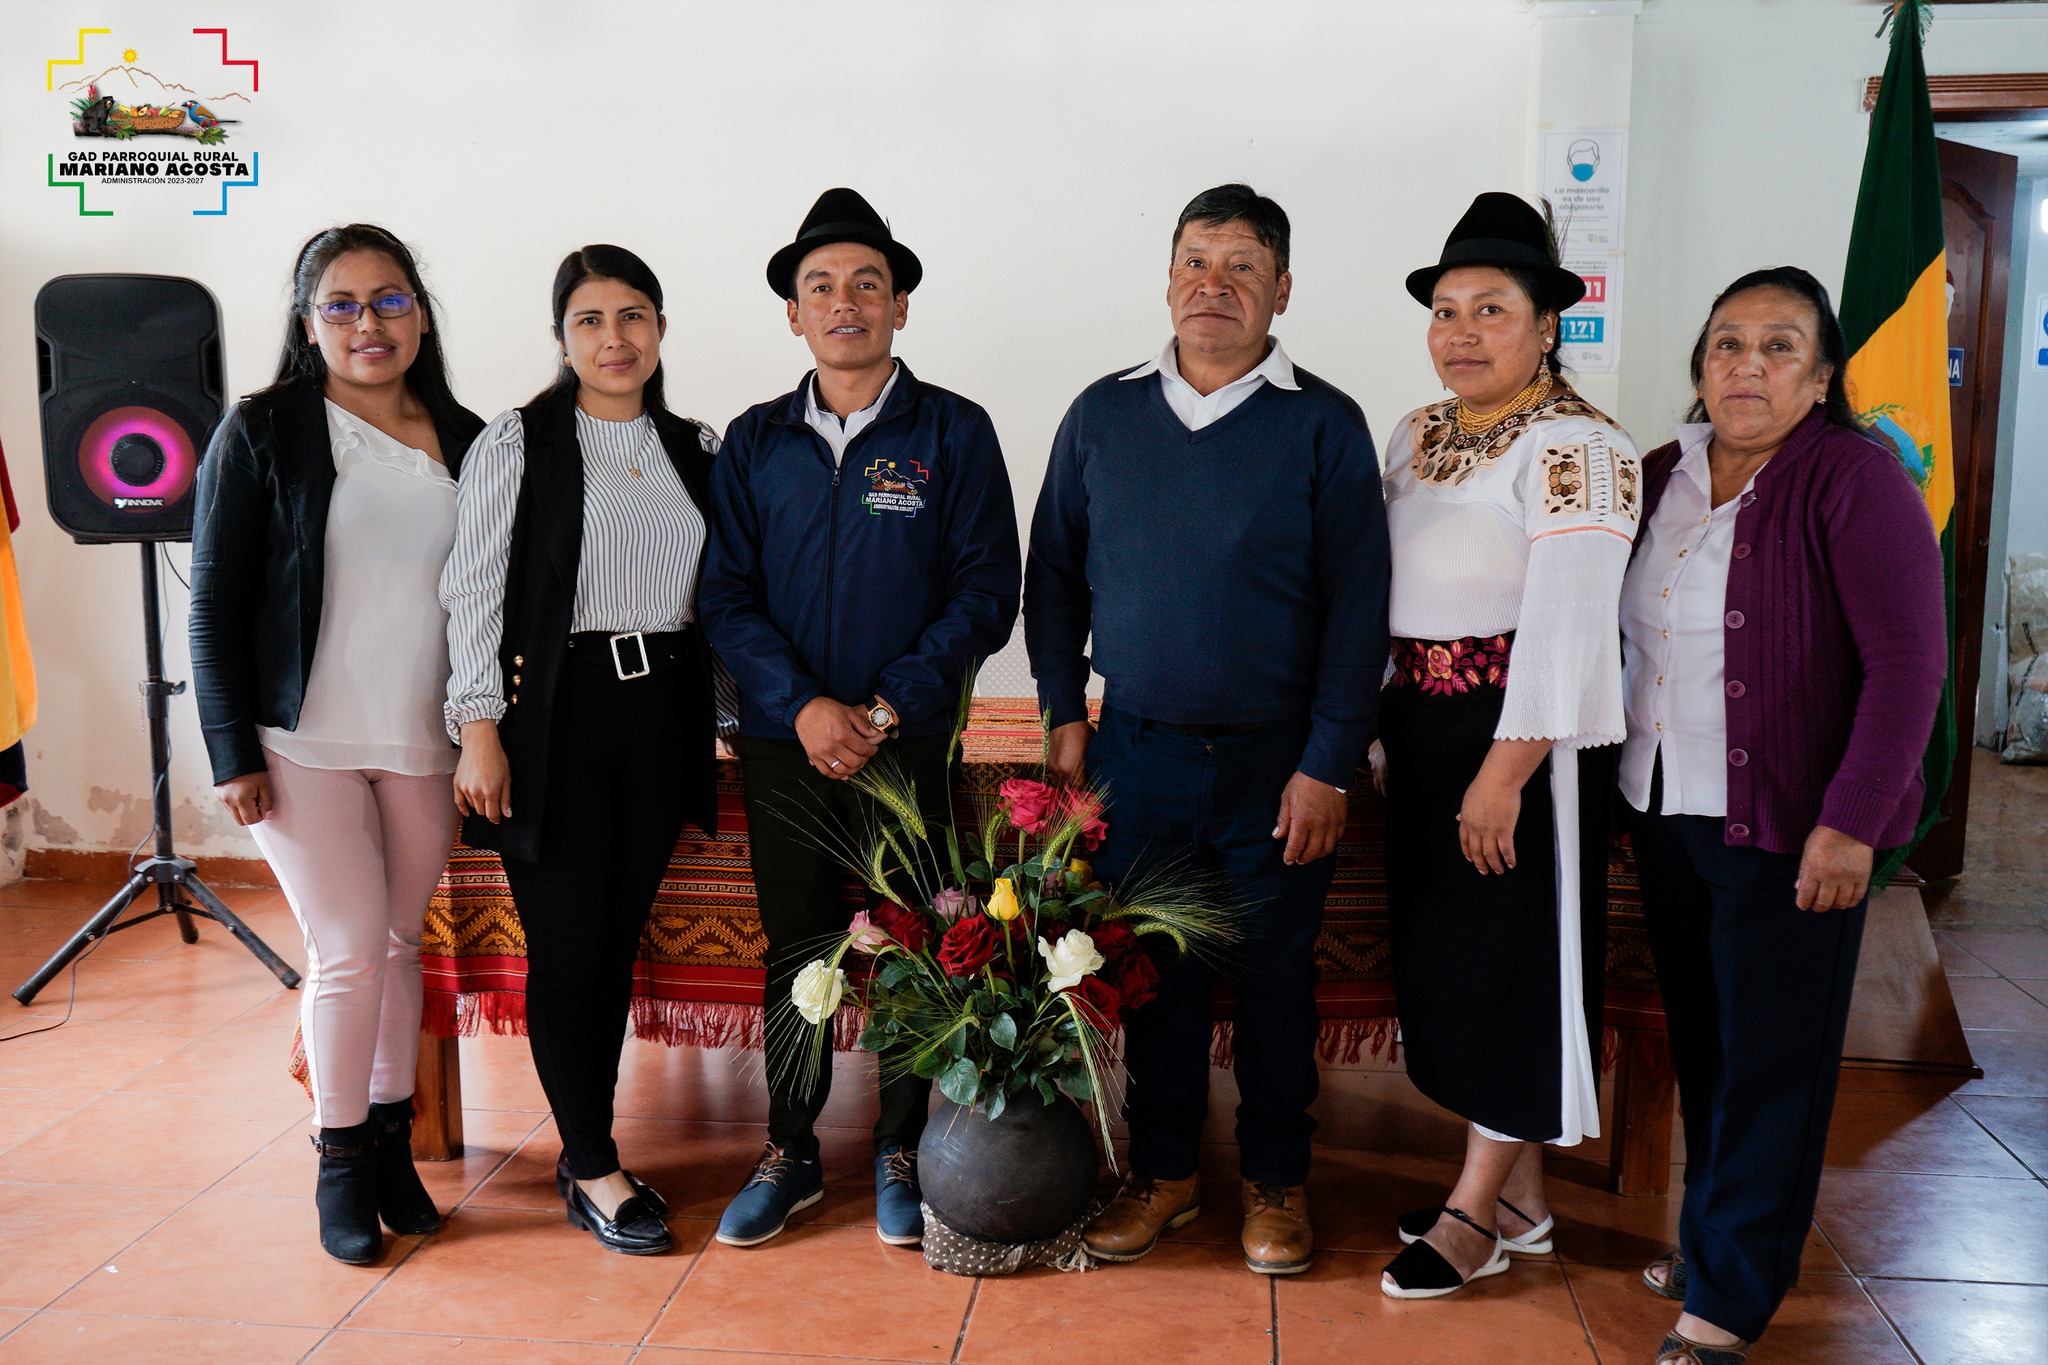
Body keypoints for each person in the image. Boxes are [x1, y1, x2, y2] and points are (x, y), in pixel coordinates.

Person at [1025, 184, 1389, 1277]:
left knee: (1276, 980)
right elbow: (1054, 575)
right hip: (1139, 753)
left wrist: (1327, 764)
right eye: (1195, 261)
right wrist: (1061, 709)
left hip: (1277, 762)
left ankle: (1276, 1178)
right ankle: (1165, 1173)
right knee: (1158, 978)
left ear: (1282, 289)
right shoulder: (1103, 414)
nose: (1213, 285)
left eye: (1242, 267)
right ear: (1168, 279)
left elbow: (1357, 607)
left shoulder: (1322, 423)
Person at [1622, 268, 1946, 1364]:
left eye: (1777, 346)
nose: (1746, 365)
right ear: (1700, 363)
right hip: (1666, 810)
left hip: (1793, 828)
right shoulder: (1659, 473)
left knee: (1772, 1062)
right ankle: (1720, 1241)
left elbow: (1907, 668)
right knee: (1709, 1048)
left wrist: (1851, 821)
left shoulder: (1855, 479)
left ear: (1819, 377)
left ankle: (1726, 1299)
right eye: (1727, 342)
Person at [700, 188, 1020, 1249]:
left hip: (906, 740)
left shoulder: (954, 431)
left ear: (899, 307)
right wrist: (801, 707)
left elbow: (985, 591)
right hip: (784, 742)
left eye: (867, 284)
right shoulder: (754, 441)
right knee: (797, 944)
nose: (846, 303)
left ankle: (899, 1147)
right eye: (822, 287)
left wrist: (882, 707)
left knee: (914, 941)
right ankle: (790, 1149)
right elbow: (725, 597)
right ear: (794, 314)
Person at [190, 224, 485, 1265]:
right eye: (344, 304)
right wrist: (229, 750)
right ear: (309, 322)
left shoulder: (469, 436)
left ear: (420, 315)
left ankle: (393, 1148)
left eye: (390, 300)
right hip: (297, 740)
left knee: (401, 944)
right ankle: (339, 1161)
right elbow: (214, 597)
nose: (370, 323)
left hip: (423, 739)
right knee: (349, 948)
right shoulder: (263, 429)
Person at [1374, 192, 1641, 1299]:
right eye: (1446, 310)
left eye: (1491, 309)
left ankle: (1473, 1213)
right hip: (1423, 726)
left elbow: (1571, 625)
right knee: (1451, 962)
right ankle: (1522, 1199)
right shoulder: (1417, 432)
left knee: (1512, 965)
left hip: (1525, 742)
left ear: (1546, 325)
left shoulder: (1580, 445)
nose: (1462, 332)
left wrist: (1502, 774)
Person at [442, 245, 722, 1256]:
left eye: (633, 315)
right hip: (557, 717)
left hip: (663, 715)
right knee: (570, 948)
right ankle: (594, 1164)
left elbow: (723, 591)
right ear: (561, 339)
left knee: (615, 942)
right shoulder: (519, 442)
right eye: (590, 320)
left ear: (661, 328)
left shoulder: (695, 445)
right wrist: (478, 726)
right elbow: (472, 587)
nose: (615, 338)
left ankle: (583, 1146)